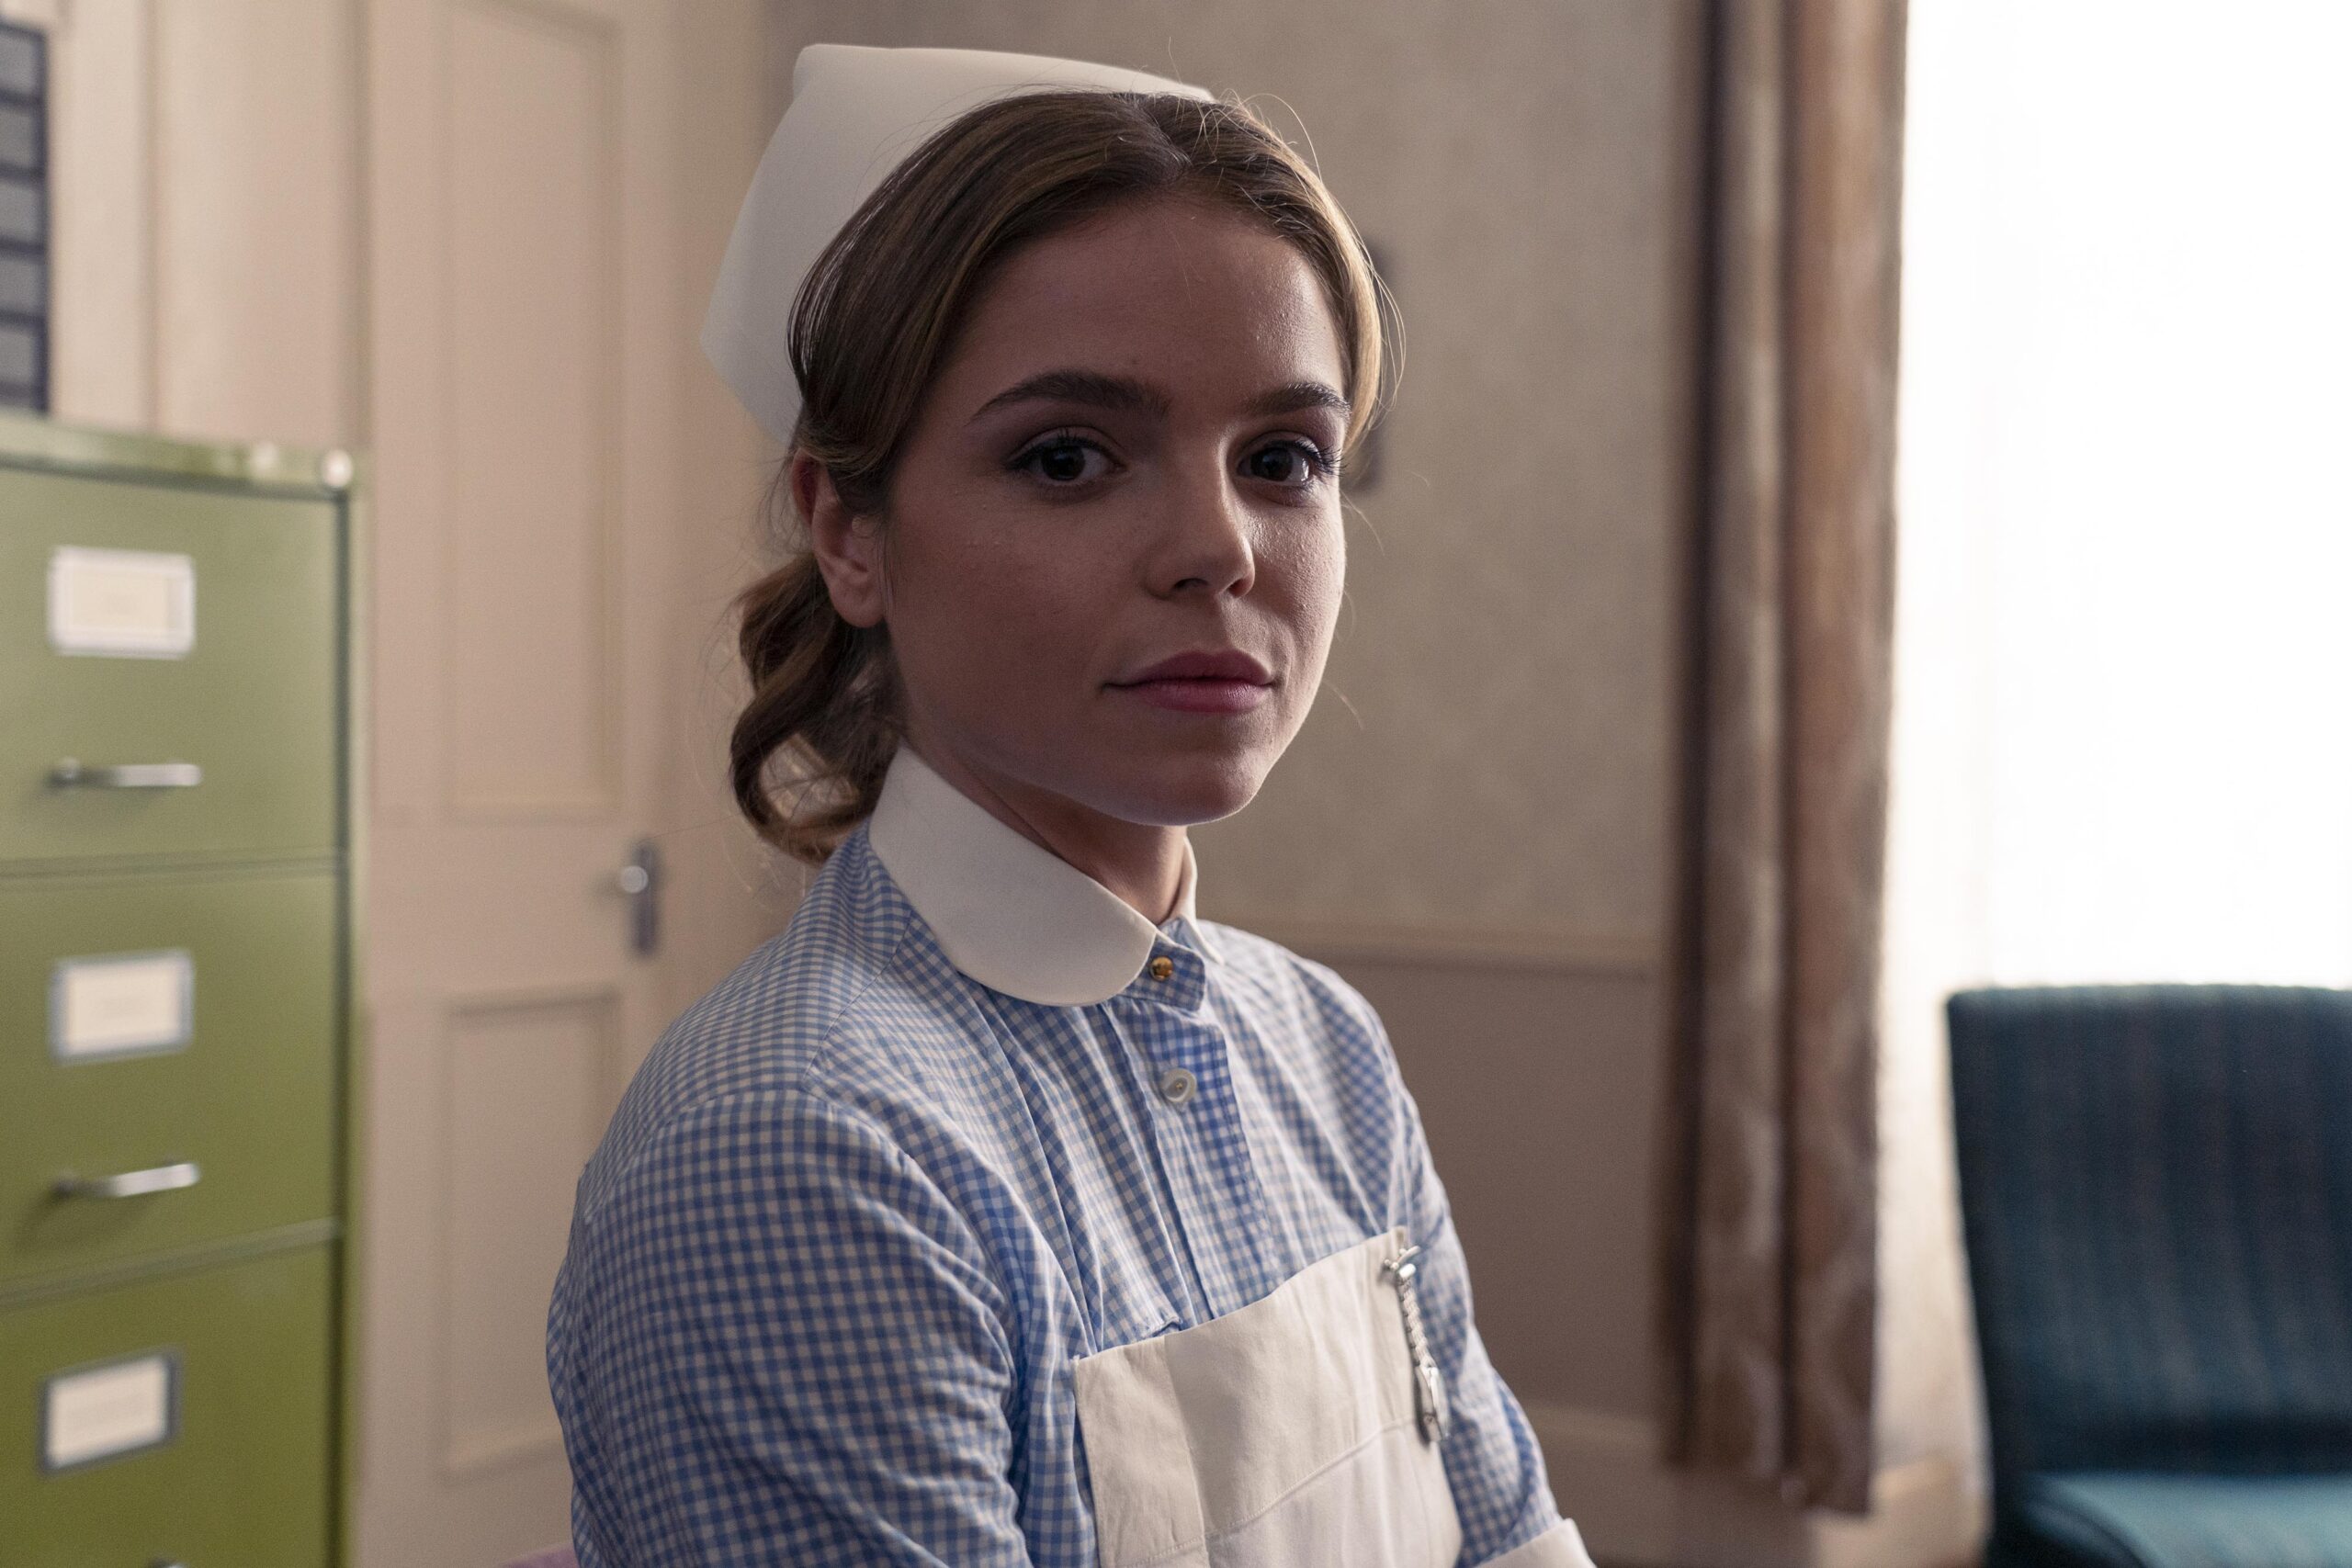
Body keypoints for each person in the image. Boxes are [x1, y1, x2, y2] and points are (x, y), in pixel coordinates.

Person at [546, 42, 1594, 1568]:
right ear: (849, 531)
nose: (1219, 548)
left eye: (1284, 457)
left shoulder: (1323, 1049)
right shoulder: (802, 1148)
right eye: (1068, 456)